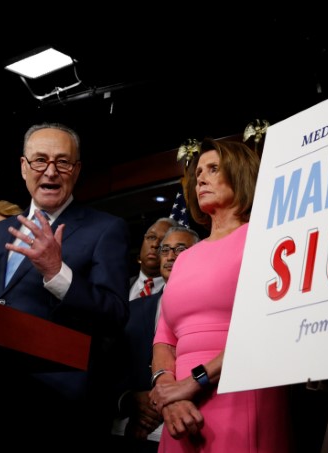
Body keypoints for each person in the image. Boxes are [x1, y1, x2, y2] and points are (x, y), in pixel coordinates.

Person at [0, 122, 131, 451]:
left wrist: (56, 271)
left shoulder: (105, 229)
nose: (50, 172)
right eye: (40, 160)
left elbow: (115, 314)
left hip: (56, 407)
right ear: (24, 168)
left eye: (62, 162)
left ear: (77, 170)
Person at [149, 138, 291, 452]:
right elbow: (164, 339)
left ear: (241, 176)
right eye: (199, 171)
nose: (200, 177)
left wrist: (192, 383)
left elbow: (267, 328)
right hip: (179, 413)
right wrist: (167, 392)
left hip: (240, 392)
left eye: (213, 169)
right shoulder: (185, 258)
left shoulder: (264, 239)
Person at [111, 226, 200, 453]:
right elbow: (109, 367)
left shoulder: (207, 311)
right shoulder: (130, 310)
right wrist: (129, 399)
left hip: (188, 430)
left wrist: (164, 402)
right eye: (165, 250)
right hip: (126, 430)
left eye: (180, 249)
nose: (170, 256)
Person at [130, 217, 178, 300]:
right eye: (151, 237)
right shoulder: (120, 286)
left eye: (163, 240)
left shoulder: (179, 290)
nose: (155, 244)